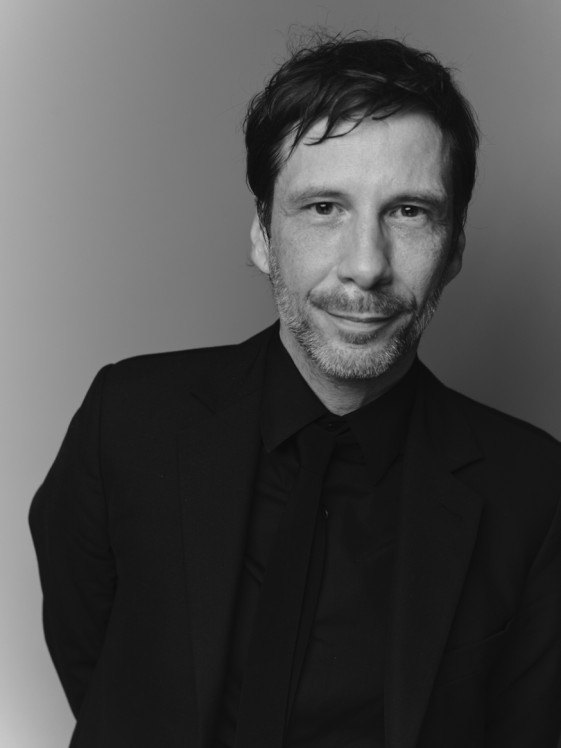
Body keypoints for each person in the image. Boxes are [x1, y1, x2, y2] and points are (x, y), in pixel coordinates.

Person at [29, 32, 561, 748]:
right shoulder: (125, 421)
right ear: (262, 235)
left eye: (409, 211)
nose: (366, 266)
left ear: (454, 248)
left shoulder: (533, 491)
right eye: (324, 208)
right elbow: (99, 671)